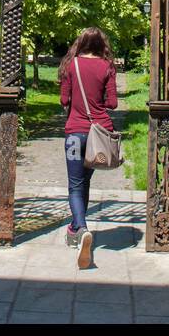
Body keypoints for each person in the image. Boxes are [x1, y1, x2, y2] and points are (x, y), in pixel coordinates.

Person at [59, 27, 118, 269]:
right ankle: (77, 226)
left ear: (80, 43)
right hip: (98, 136)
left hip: (74, 134)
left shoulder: (70, 65)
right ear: (101, 44)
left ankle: (79, 228)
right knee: (84, 182)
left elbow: (64, 100)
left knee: (75, 184)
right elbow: (112, 103)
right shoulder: (107, 67)